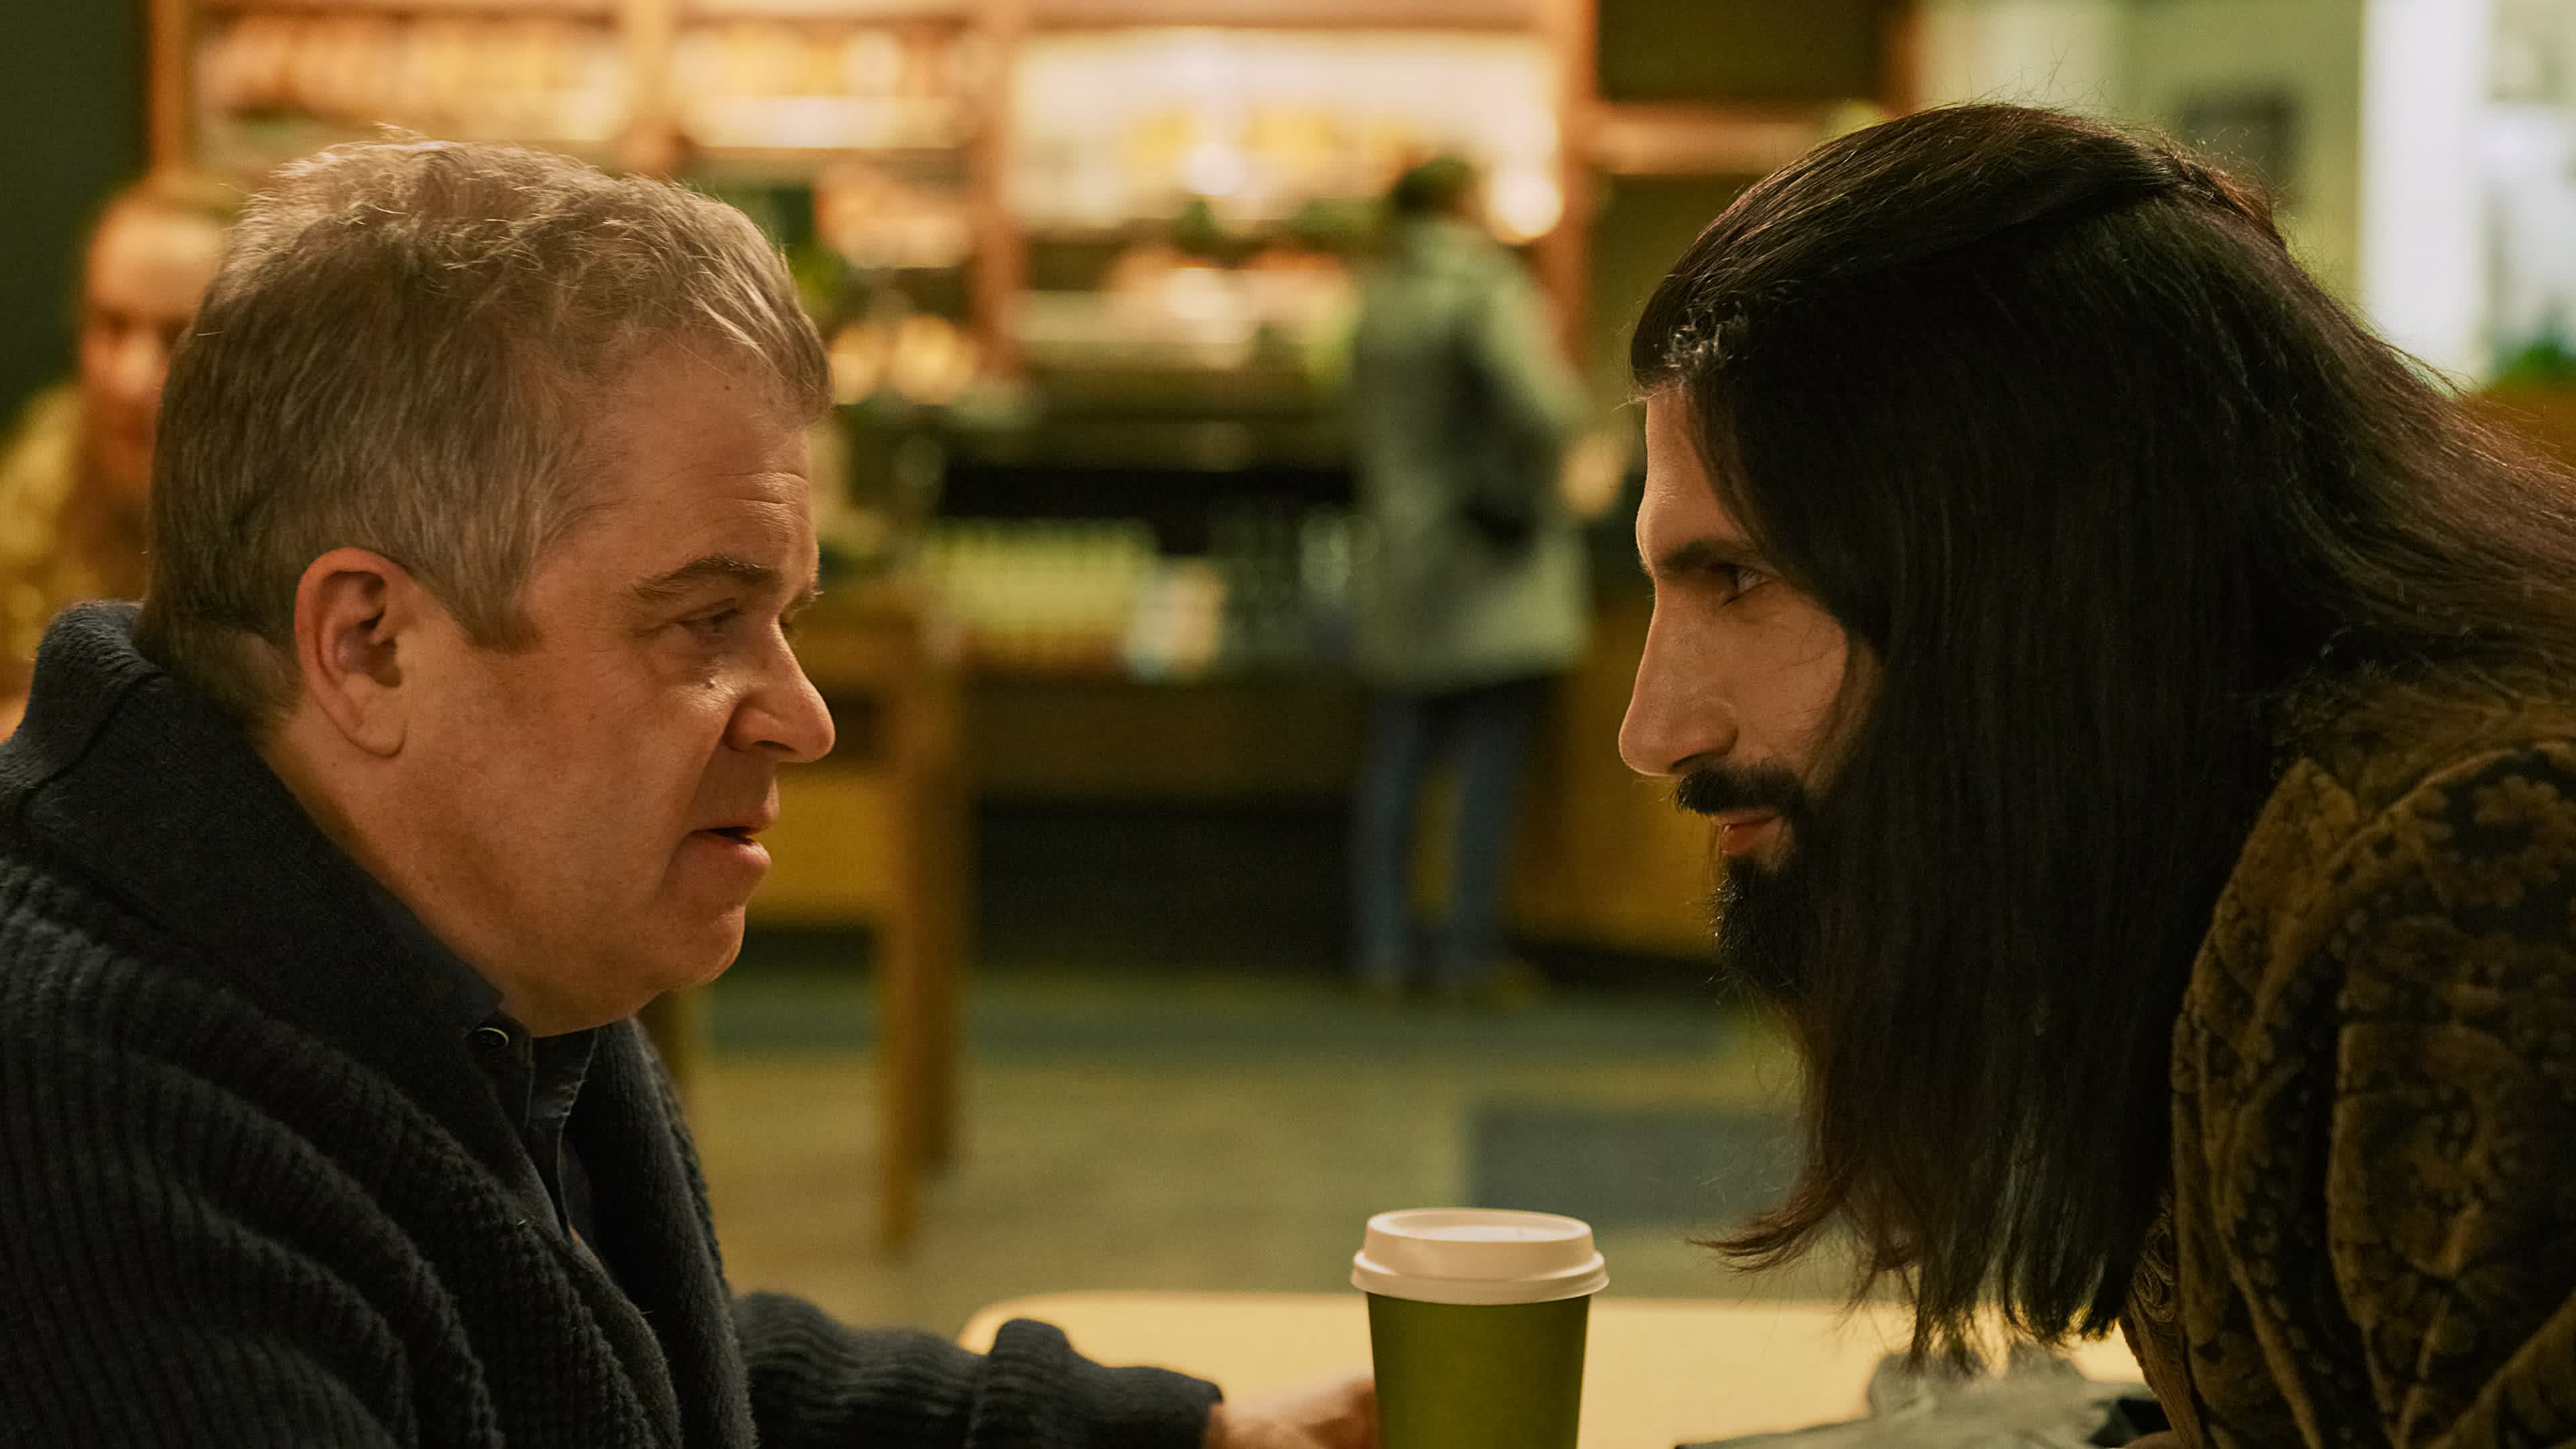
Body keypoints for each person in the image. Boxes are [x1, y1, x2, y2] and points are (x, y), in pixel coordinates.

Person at [0, 139, 1371, 1449]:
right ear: (370, 645)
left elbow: (605, 1362)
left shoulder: (467, 945)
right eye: (705, 621)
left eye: (786, 620)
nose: (803, 717)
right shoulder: (97, 1146)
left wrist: (1190, 1433)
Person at [1619, 105, 2576, 1446]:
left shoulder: (2479, 869)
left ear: (2039, 571)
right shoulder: (2198, 856)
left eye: (1739, 577)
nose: (1656, 729)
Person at [1346, 155, 1591, 1003]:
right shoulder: (1483, 291)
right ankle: (1467, 950)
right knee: (1489, 765)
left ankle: (1382, 948)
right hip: (1489, 558)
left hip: (1401, 551)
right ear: (1462, 204)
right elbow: (1546, 407)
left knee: (1398, 762)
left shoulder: (1374, 298)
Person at [0, 170, 237, 733]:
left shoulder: (294, 525)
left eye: (178, 337)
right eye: (111, 326)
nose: (130, 380)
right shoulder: (39, 476)